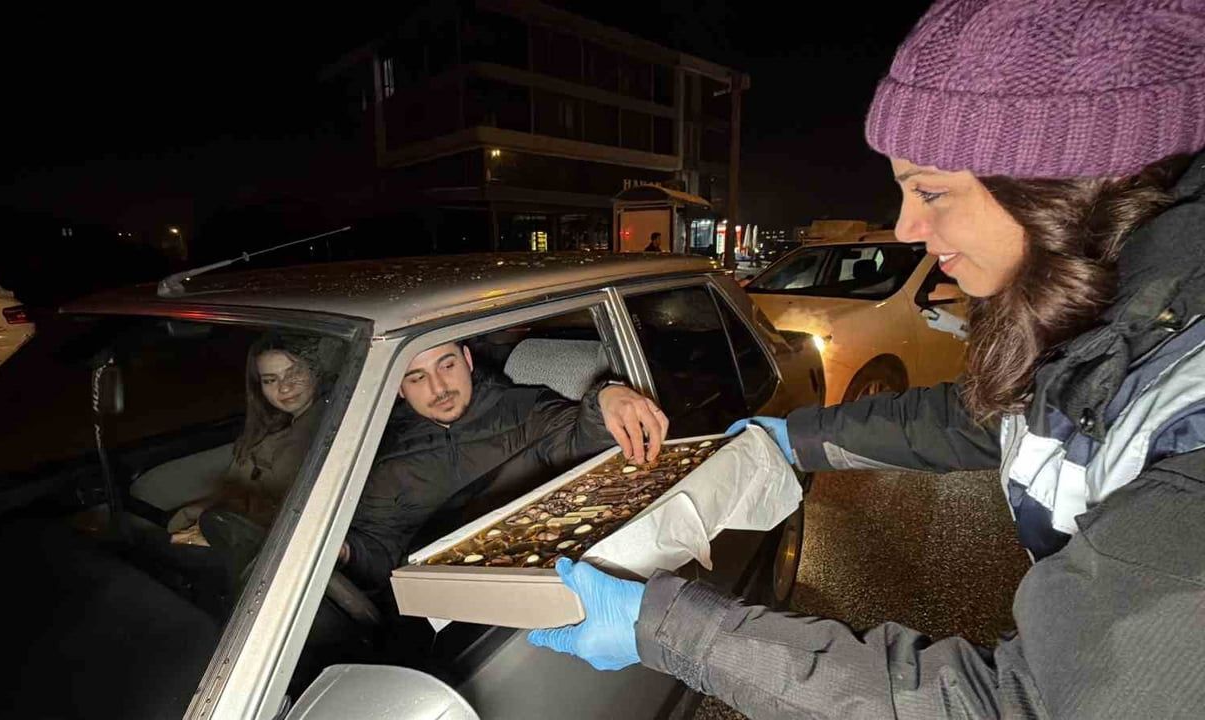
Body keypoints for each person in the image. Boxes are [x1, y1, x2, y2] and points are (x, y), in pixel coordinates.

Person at [528, 1, 1205, 718]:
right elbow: (990, 419)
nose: (910, 227)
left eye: (932, 191)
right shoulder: (1115, 319)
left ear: (1065, 185)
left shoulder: (1190, 420)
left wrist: (664, 630)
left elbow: (1026, 705)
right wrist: (795, 439)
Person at [336, 340, 668, 593]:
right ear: (399, 389)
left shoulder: (523, 409)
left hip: (532, 581)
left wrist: (606, 395)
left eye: (447, 366)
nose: (439, 389)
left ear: (467, 360)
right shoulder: (387, 457)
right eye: (418, 377)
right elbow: (381, 555)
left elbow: (579, 439)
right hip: (439, 606)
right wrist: (347, 552)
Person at [167, 333, 341, 580]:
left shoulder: (321, 432)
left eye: (294, 374)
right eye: (270, 380)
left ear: (317, 372)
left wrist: (214, 533)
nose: (284, 387)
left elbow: (287, 514)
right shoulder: (272, 426)